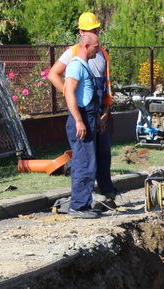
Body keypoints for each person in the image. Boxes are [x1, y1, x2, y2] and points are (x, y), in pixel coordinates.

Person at [47, 12, 116, 210]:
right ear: (81, 33)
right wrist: (71, 95)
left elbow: (106, 84)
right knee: (85, 160)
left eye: (96, 29)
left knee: (102, 154)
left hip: (96, 112)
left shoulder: (101, 53)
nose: (94, 33)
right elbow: (53, 74)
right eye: (90, 30)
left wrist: (104, 109)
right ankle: (81, 203)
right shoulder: (74, 54)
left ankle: (106, 193)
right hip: (85, 112)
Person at [58, 32, 102, 219]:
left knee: (86, 162)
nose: (98, 50)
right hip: (82, 118)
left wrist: (97, 118)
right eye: (96, 47)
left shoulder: (83, 65)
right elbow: (69, 94)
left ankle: (83, 204)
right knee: (84, 163)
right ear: (86, 46)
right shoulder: (76, 66)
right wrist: (79, 120)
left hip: (89, 116)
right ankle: (78, 206)